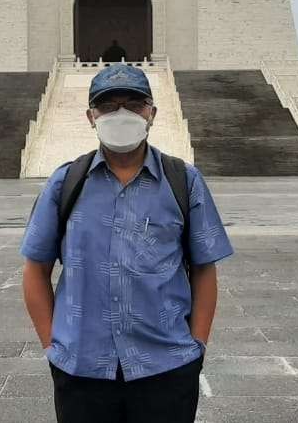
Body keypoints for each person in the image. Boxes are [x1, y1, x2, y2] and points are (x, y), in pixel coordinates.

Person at [20, 63, 234, 423]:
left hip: (166, 366)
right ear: (91, 116)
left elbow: (204, 269)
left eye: (134, 104)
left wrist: (196, 347)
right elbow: (35, 270)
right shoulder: (65, 183)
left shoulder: (183, 181)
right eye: (108, 105)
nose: (121, 114)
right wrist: (53, 346)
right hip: (82, 369)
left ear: (152, 112)